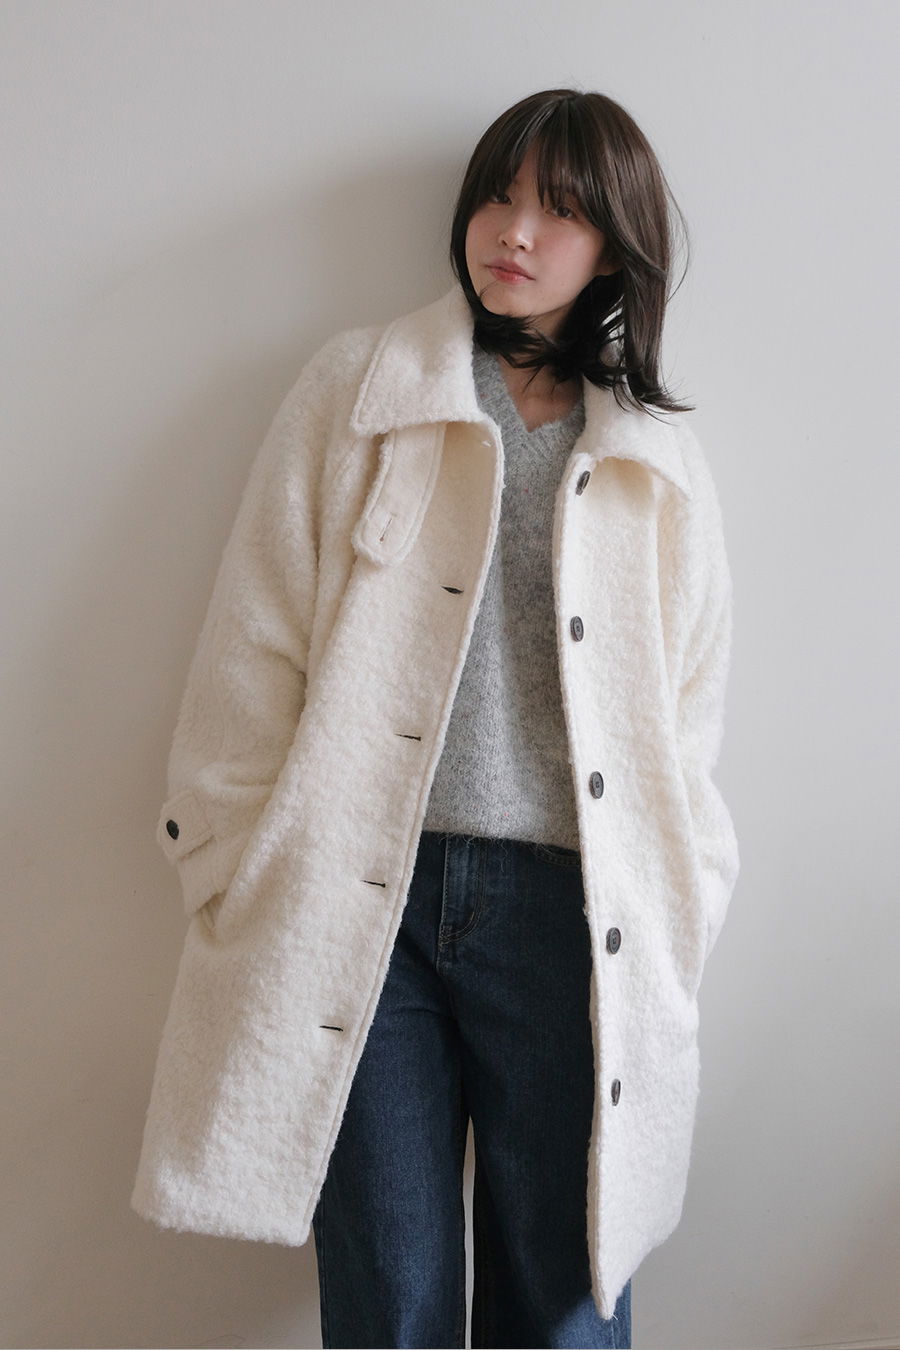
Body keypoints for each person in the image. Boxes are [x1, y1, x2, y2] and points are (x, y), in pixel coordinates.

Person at [131, 89, 740, 1350]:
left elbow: (689, 716)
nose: (514, 232)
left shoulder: (656, 461)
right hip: (363, 901)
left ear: (612, 248)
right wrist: (232, 855)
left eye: (558, 213)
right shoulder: (363, 388)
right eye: (497, 198)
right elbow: (258, 630)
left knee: (562, 1298)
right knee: (389, 1292)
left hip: (573, 919)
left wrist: (684, 899)